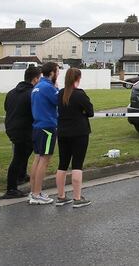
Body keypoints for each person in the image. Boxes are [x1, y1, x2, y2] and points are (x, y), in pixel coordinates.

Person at [55, 68, 94, 208]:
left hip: (63, 132)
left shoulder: (60, 93)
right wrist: (81, 111)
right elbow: (90, 112)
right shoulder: (80, 94)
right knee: (77, 164)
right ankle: (77, 198)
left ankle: (61, 196)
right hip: (79, 132)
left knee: (62, 164)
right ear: (78, 78)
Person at [2, 66, 41, 199]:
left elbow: (7, 108)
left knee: (23, 153)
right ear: (35, 79)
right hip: (23, 129)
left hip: (12, 127)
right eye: (40, 78)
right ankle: (11, 188)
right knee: (18, 157)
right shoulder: (31, 93)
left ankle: (21, 175)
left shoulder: (12, 92)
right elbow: (35, 112)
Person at [29, 62, 60, 205]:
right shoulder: (48, 87)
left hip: (37, 126)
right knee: (44, 160)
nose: (58, 74)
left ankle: (34, 192)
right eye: (57, 72)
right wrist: (57, 87)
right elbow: (59, 100)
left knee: (37, 158)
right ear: (52, 73)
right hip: (47, 127)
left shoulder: (37, 86)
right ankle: (36, 193)